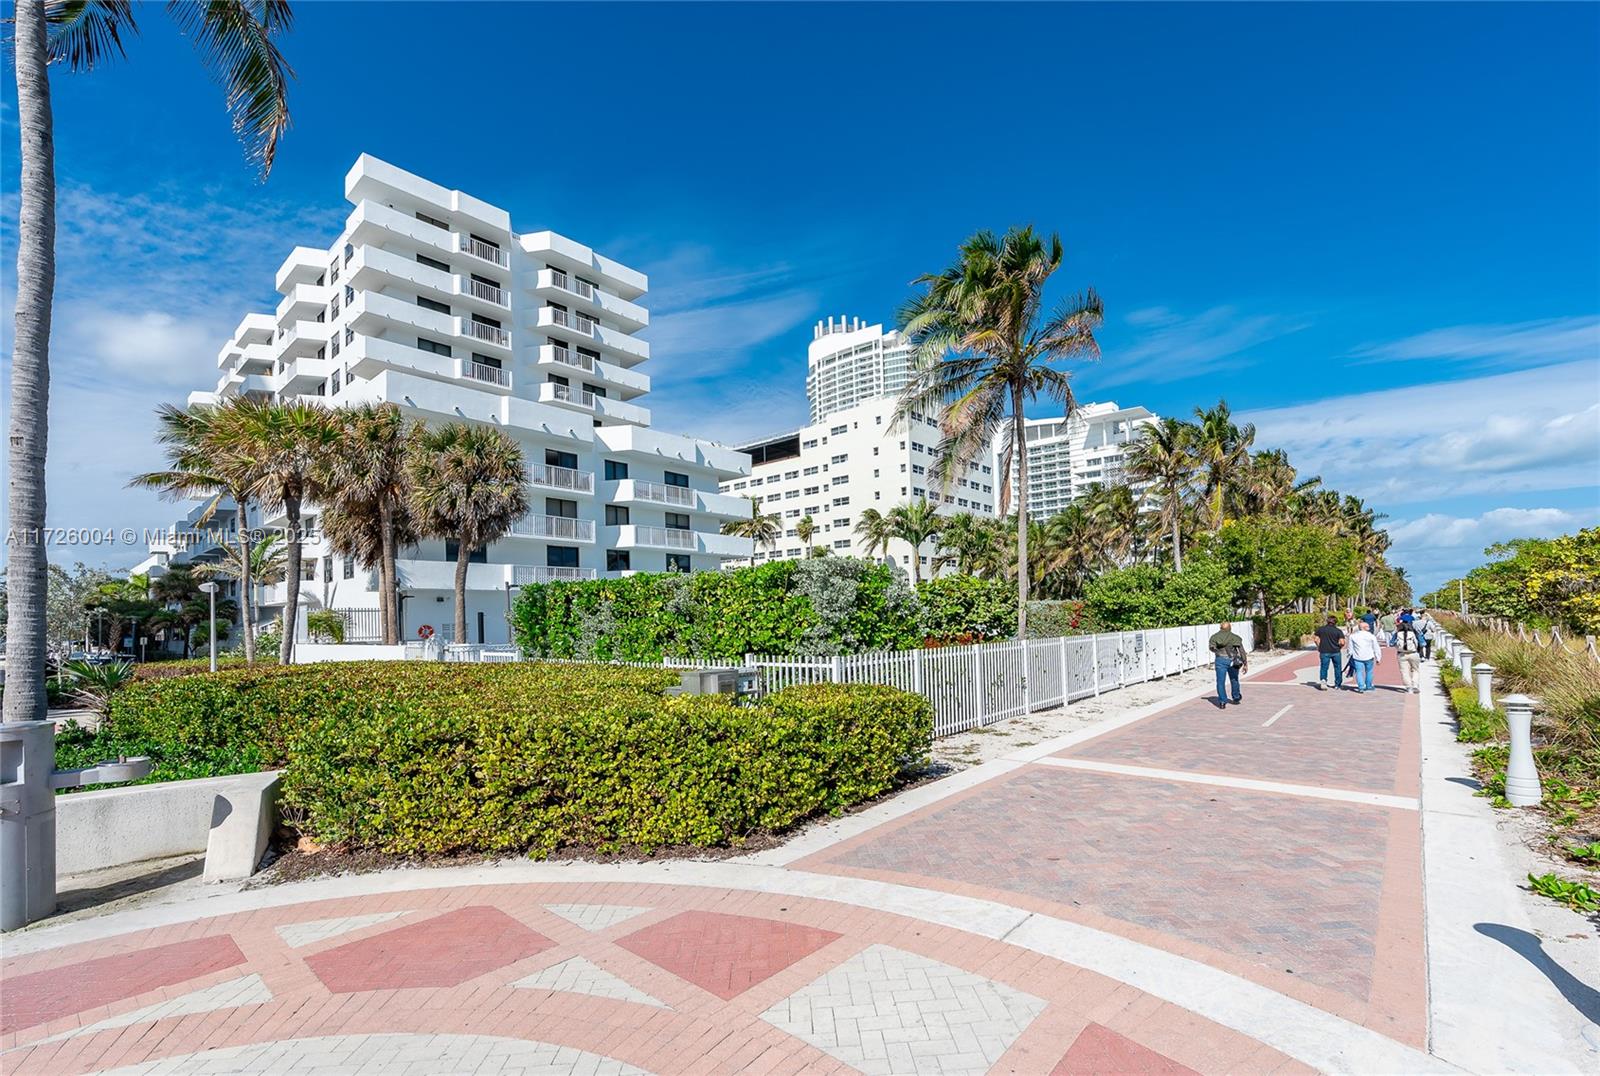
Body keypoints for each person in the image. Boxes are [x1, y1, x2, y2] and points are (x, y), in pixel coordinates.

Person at [1208, 621, 1248, 708]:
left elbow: (1211, 648)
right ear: (1230, 628)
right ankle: (1236, 697)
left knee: (1220, 681)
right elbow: (1242, 651)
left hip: (1220, 660)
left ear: (1220, 628)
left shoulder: (1214, 637)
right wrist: (1245, 663)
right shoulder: (1235, 637)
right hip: (1233, 660)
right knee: (1234, 679)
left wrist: (1217, 651)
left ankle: (1222, 702)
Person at [1313, 614, 1346, 690]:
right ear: (1336, 622)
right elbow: (1342, 642)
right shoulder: (1338, 631)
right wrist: (1339, 647)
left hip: (1324, 651)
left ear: (1327, 621)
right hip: (1336, 651)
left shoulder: (1321, 629)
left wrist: (1319, 646)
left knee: (1324, 667)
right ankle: (1337, 684)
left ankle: (1323, 681)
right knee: (1337, 667)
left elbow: (1315, 639)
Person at [1348, 621, 1382, 692]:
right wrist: (1378, 658)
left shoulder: (1353, 636)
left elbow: (1350, 648)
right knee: (1369, 671)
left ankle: (1361, 687)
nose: (1369, 627)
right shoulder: (1371, 636)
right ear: (1364, 628)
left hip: (1357, 657)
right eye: (1368, 626)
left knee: (1359, 672)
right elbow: (1376, 647)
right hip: (1369, 656)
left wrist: (1350, 654)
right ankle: (1368, 686)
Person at [1392, 617, 1423, 693]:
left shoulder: (1397, 634)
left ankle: (1408, 687)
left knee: (1404, 671)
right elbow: (1422, 643)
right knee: (1415, 670)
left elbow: (1391, 643)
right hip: (1414, 653)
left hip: (1402, 654)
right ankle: (1415, 685)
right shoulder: (1415, 633)